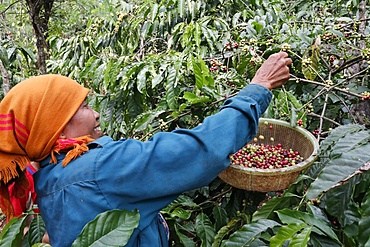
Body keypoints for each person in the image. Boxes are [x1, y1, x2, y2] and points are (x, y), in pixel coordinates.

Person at [0, 51, 292, 246]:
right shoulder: (102, 168)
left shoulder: (47, 179)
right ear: (57, 128)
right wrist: (259, 87)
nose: (97, 114)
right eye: (85, 107)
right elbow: (198, 150)